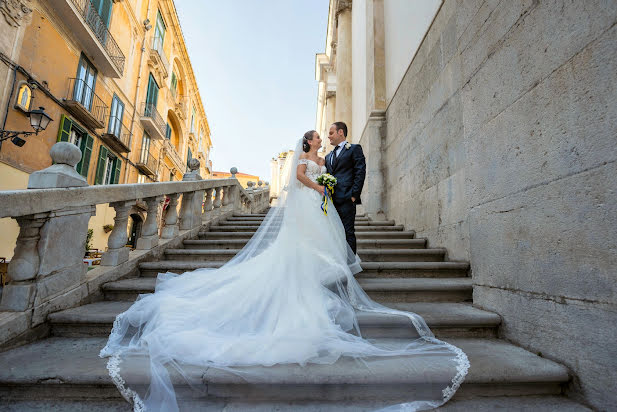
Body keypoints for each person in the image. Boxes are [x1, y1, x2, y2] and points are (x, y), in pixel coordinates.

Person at [100, 132, 469, 412]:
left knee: (323, 244)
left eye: (321, 138)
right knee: (302, 246)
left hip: (321, 205)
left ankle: (318, 275)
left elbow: (329, 171)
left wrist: (329, 183)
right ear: (306, 142)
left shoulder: (323, 158)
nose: (320, 140)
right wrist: (321, 185)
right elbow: (299, 179)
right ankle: (306, 277)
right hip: (310, 204)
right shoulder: (306, 162)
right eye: (315, 138)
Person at [325, 121, 365, 253]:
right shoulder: (327, 156)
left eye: (331, 133)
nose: (328, 136)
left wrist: (354, 195)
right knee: (333, 234)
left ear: (340, 132)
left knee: (348, 232)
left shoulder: (354, 149)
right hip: (330, 202)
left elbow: (360, 171)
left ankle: (351, 266)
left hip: (347, 198)